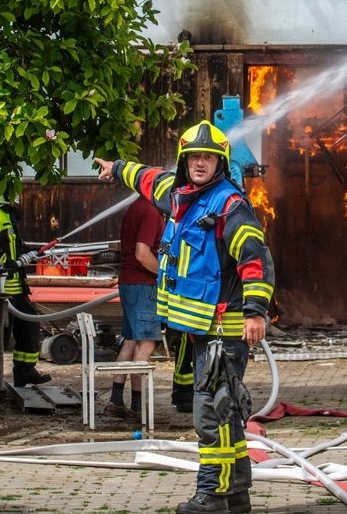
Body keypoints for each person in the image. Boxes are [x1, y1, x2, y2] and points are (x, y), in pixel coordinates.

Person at [96, 120, 275, 514]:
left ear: (219, 163)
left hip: (223, 329)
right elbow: (146, 177)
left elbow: (255, 260)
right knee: (223, 412)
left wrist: (256, 312)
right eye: (194, 156)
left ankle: (212, 496)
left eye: (208, 157)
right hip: (197, 331)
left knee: (211, 415)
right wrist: (116, 167)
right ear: (184, 160)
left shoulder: (230, 206)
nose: (200, 162)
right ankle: (237, 496)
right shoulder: (177, 194)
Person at [0, 190, 51, 387]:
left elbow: (11, 245)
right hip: (1, 288)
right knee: (7, 333)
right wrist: (6, 262)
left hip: (15, 286)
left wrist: (27, 252)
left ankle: (25, 371)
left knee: (30, 326)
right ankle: (3, 378)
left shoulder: (6, 216)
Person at [105, 194, 166, 419]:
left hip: (130, 282)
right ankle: (139, 408)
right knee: (146, 343)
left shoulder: (135, 207)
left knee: (130, 342)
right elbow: (142, 253)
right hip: (143, 285)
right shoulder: (150, 212)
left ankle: (116, 400)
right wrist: (166, 274)